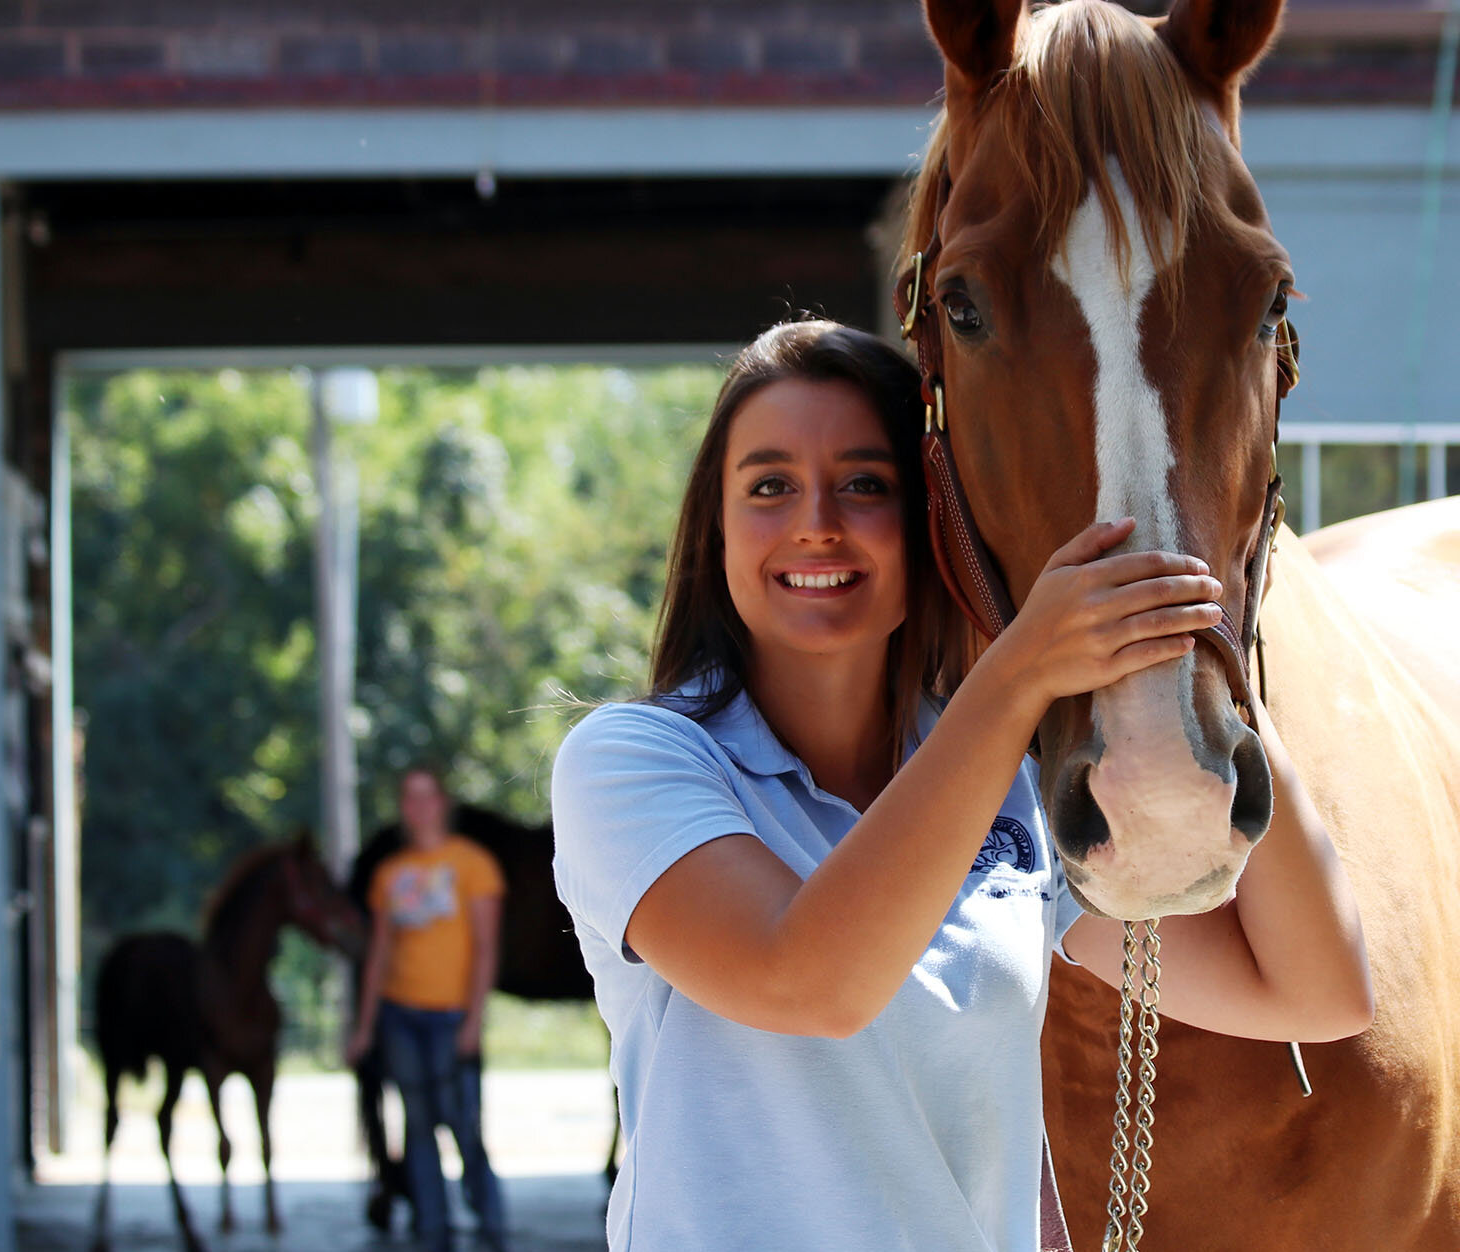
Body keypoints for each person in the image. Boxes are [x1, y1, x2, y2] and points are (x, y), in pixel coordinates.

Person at [550, 320, 1370, 1251]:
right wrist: (1019, 673)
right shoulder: (633, 762)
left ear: (934, 529)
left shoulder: (1010, 783)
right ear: (718, 530)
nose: (816, 519)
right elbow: (810, 983)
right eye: (769, 486)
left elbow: (1315, 992)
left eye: (866, 484)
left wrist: (1206, 663)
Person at [346, 767, 509, 1252]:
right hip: (401, 1017)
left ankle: (491, 1226)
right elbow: (379, 953)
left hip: (450, 1017)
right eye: (408, 798)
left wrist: (473, 1020)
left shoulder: (474, 865)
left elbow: (485, 948)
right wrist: (365, 1025)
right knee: (416, 1129)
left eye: (426, 797)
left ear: (442, 804)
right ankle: (433, 1231)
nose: (417, 808)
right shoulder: (389, 875)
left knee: (463, 1128)